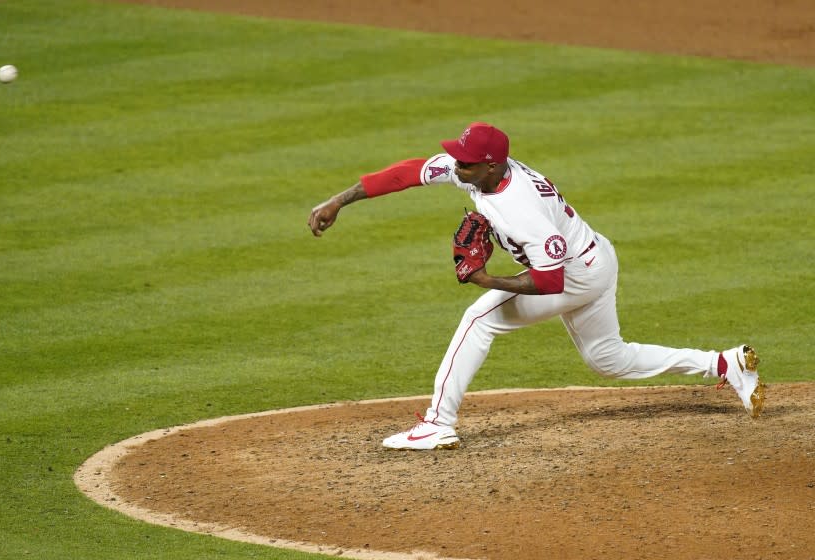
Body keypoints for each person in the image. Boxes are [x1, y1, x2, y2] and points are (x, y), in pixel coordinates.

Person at [307, 122, 765, 450]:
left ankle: (437, 424)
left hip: (576, 274)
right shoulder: (480, 170)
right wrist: (339, 201)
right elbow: (409, 171)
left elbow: (551, 281)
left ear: (489, 167)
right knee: (609, 358)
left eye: (465, 163)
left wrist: (486, 279)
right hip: (596, 255)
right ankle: (724, 364)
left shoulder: (520, 208)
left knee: (479, 320)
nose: (455, 166)